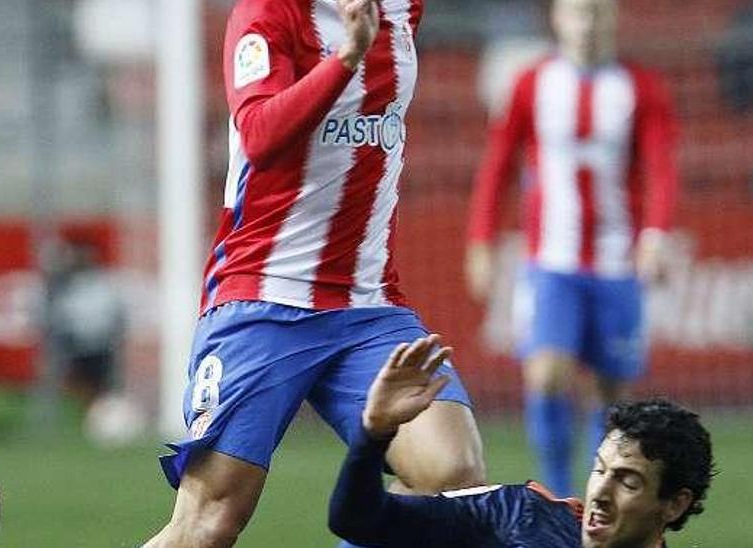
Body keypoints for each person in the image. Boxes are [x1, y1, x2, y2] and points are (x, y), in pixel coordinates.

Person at [145, 1, 486, 546]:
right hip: (263, 299)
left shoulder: (402, 8)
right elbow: (258, 134)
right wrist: (346, 57)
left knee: (453, 480)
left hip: (369, 306)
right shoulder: (268, 14)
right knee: (209, 523)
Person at [465, 0, 680, 497]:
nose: (587, 25)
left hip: (615, 264)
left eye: (597, 15)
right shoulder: (531, 84)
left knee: (612, 395)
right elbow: (497, 166)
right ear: (558, 19)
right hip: (551, 263)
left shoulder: (640, 88)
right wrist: (482, 240)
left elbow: (660, 168)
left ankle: (595, 498)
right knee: (546, 374)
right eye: (578, 13)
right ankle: (558, 496)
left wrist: (656, 234)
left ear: (613, 20)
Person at [329, 334, 714, 547]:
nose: (601, 492)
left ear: (674, 505)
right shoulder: (520, 514)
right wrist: (374, 433)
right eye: (600, 469)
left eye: (628, 481)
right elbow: (360, 521)